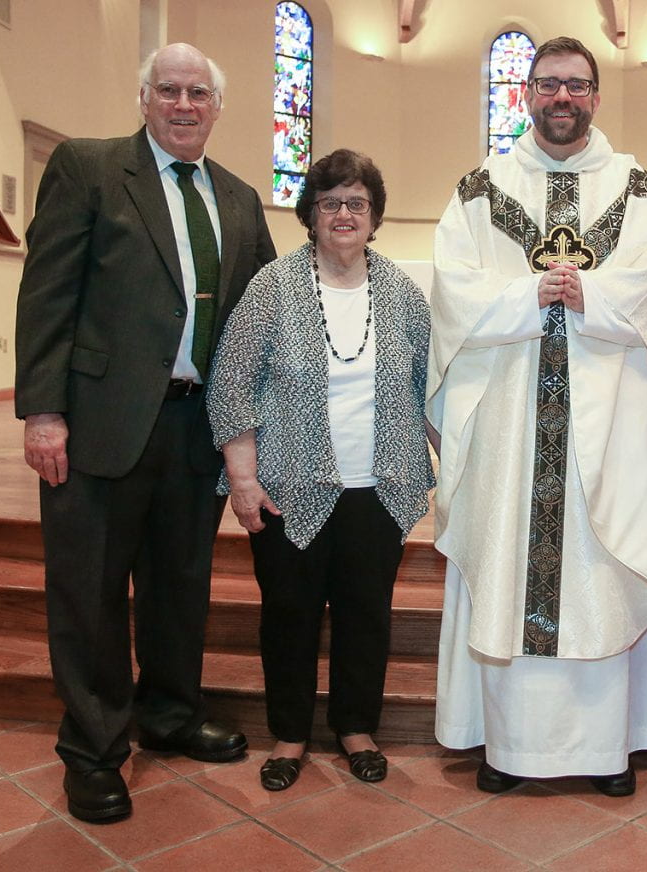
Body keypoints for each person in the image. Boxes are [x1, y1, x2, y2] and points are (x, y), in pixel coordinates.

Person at [13, 43, 275, 823]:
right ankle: (92, 750)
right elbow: (46, 292)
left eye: (199, 92)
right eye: (170, 91)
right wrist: (44, 411)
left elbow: (262, 311)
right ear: (145, 99)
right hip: (99, 422)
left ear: (218, 106)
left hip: (196, 426)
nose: (185, 104)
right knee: (89, 591)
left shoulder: (237, 196)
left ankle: (169, 712)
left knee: (179, 585)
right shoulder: (90, 169)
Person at [428, 36, 647, 797]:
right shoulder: (481, 189)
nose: (562, 99)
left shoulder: (638, 189)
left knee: (603, 564)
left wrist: (593, 297)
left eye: (576, 86)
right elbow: (454, 287)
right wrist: (528, 294)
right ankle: (505, 745)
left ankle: (612, 746)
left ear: (597, 96)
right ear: (527, 94)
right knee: (511, 558)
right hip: (512, 412)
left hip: (607, 414)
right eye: (548, 86)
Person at [207, 150, 435, 791]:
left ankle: (357, 727)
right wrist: (245, 481)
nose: (344, 214)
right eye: (331, 201)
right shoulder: (272, 287)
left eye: (357, 203)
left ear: (375, 216)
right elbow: (231, 387)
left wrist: (462, 469)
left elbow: (431, 389)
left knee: (368, 611)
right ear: (310, 213)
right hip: (287, 487)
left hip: (381, 485)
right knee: (289, 612)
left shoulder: (402, 294)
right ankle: (289, 732)